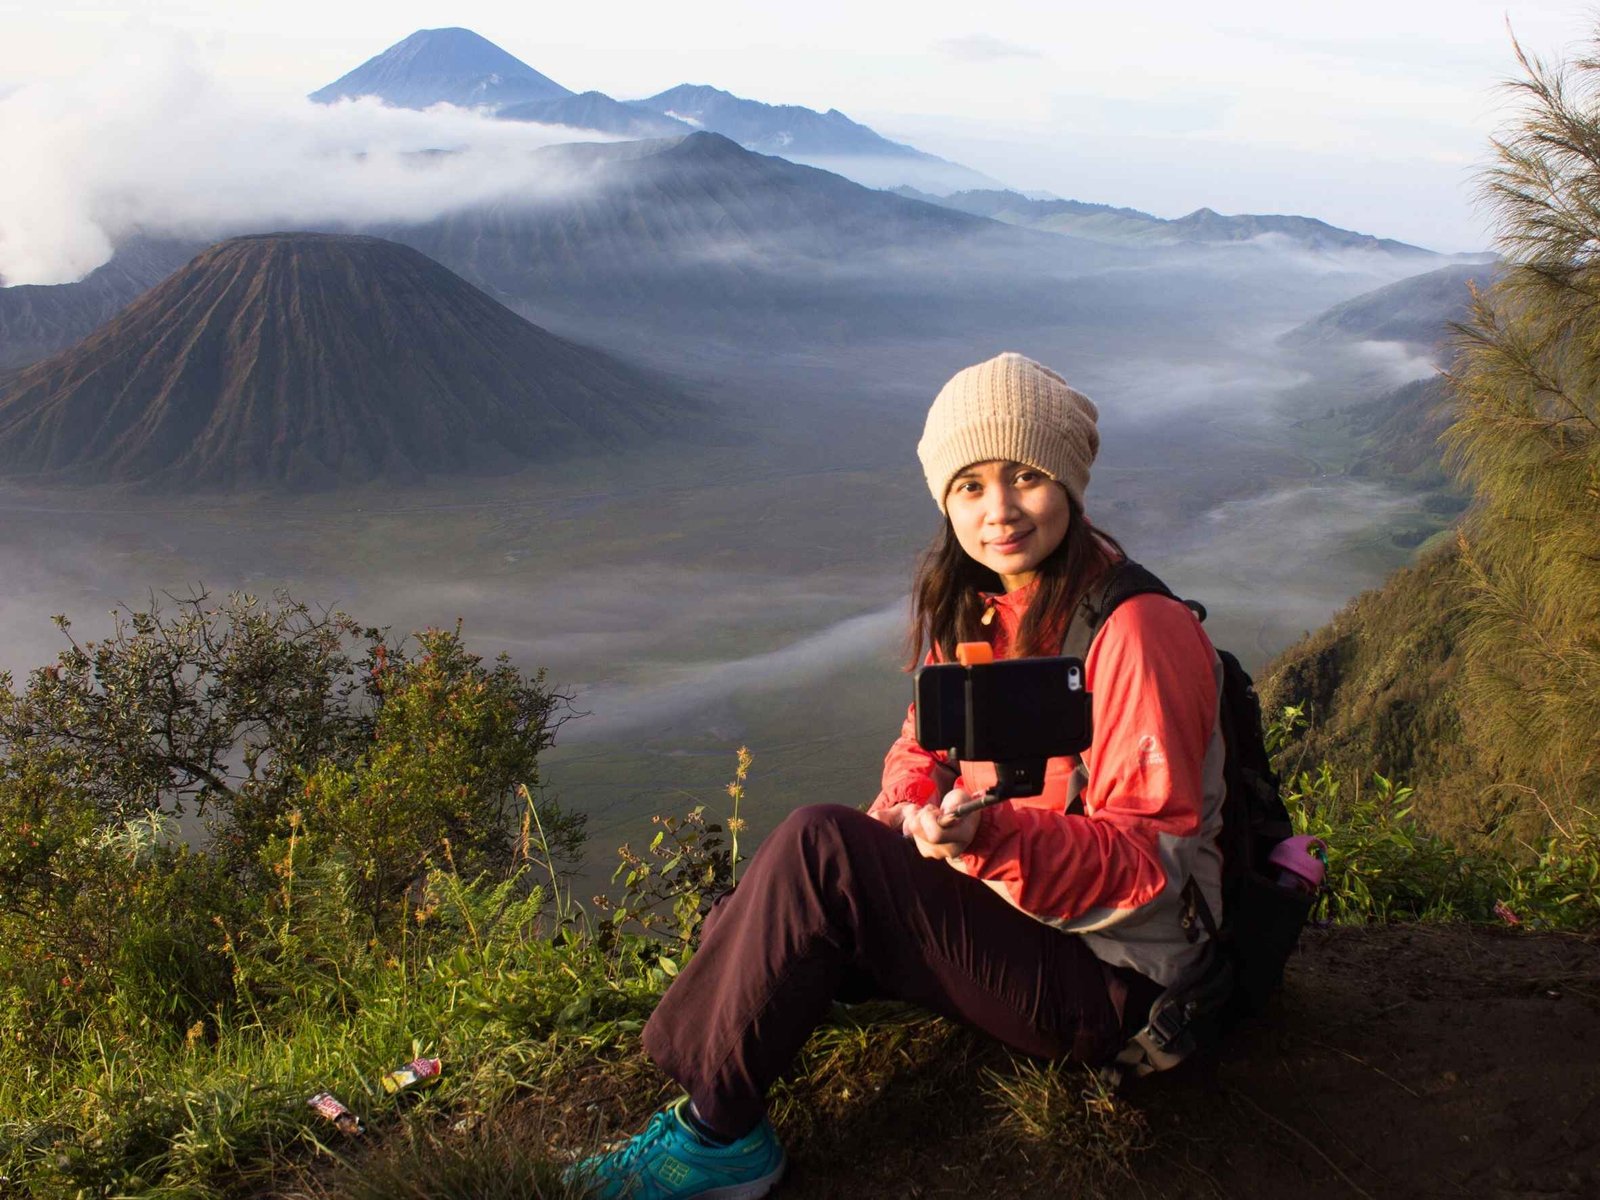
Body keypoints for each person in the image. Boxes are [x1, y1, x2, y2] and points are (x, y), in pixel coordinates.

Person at [568, 352, 1225, 1200]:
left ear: (1068, 480)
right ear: (944, 499)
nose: (999, 512)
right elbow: (921, 751)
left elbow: (1149, 870)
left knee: (816, 850)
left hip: (1116, 980)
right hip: (1017, 918)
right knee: (752, 916)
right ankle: (717, 1082)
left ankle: (718, 1136)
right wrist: (918, 813)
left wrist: (987, 838)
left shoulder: (1136, 633)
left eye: (1025, 476)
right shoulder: (981, 607)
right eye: (970, 486)